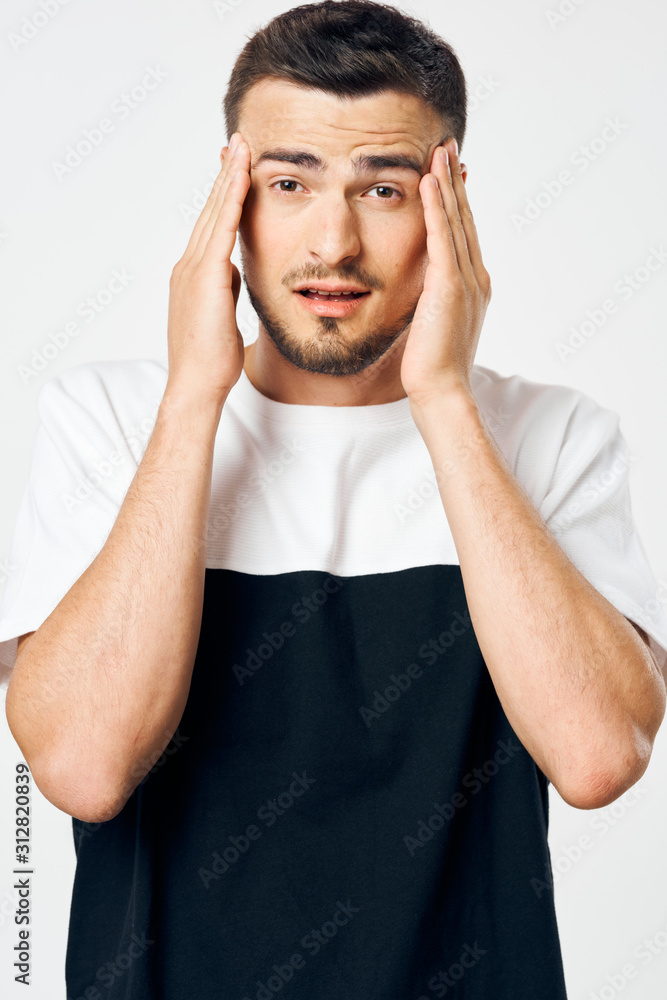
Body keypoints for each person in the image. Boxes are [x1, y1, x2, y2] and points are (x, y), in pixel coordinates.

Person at [1, 1, 666, 997]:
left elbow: (596, 758)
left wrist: (442, 398)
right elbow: (85, 768)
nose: (332, 241)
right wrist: (193, 400)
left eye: (384, 188)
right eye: (288, 181)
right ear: (232, 196)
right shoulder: (112, 418)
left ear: (449, 202)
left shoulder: (550, 437)